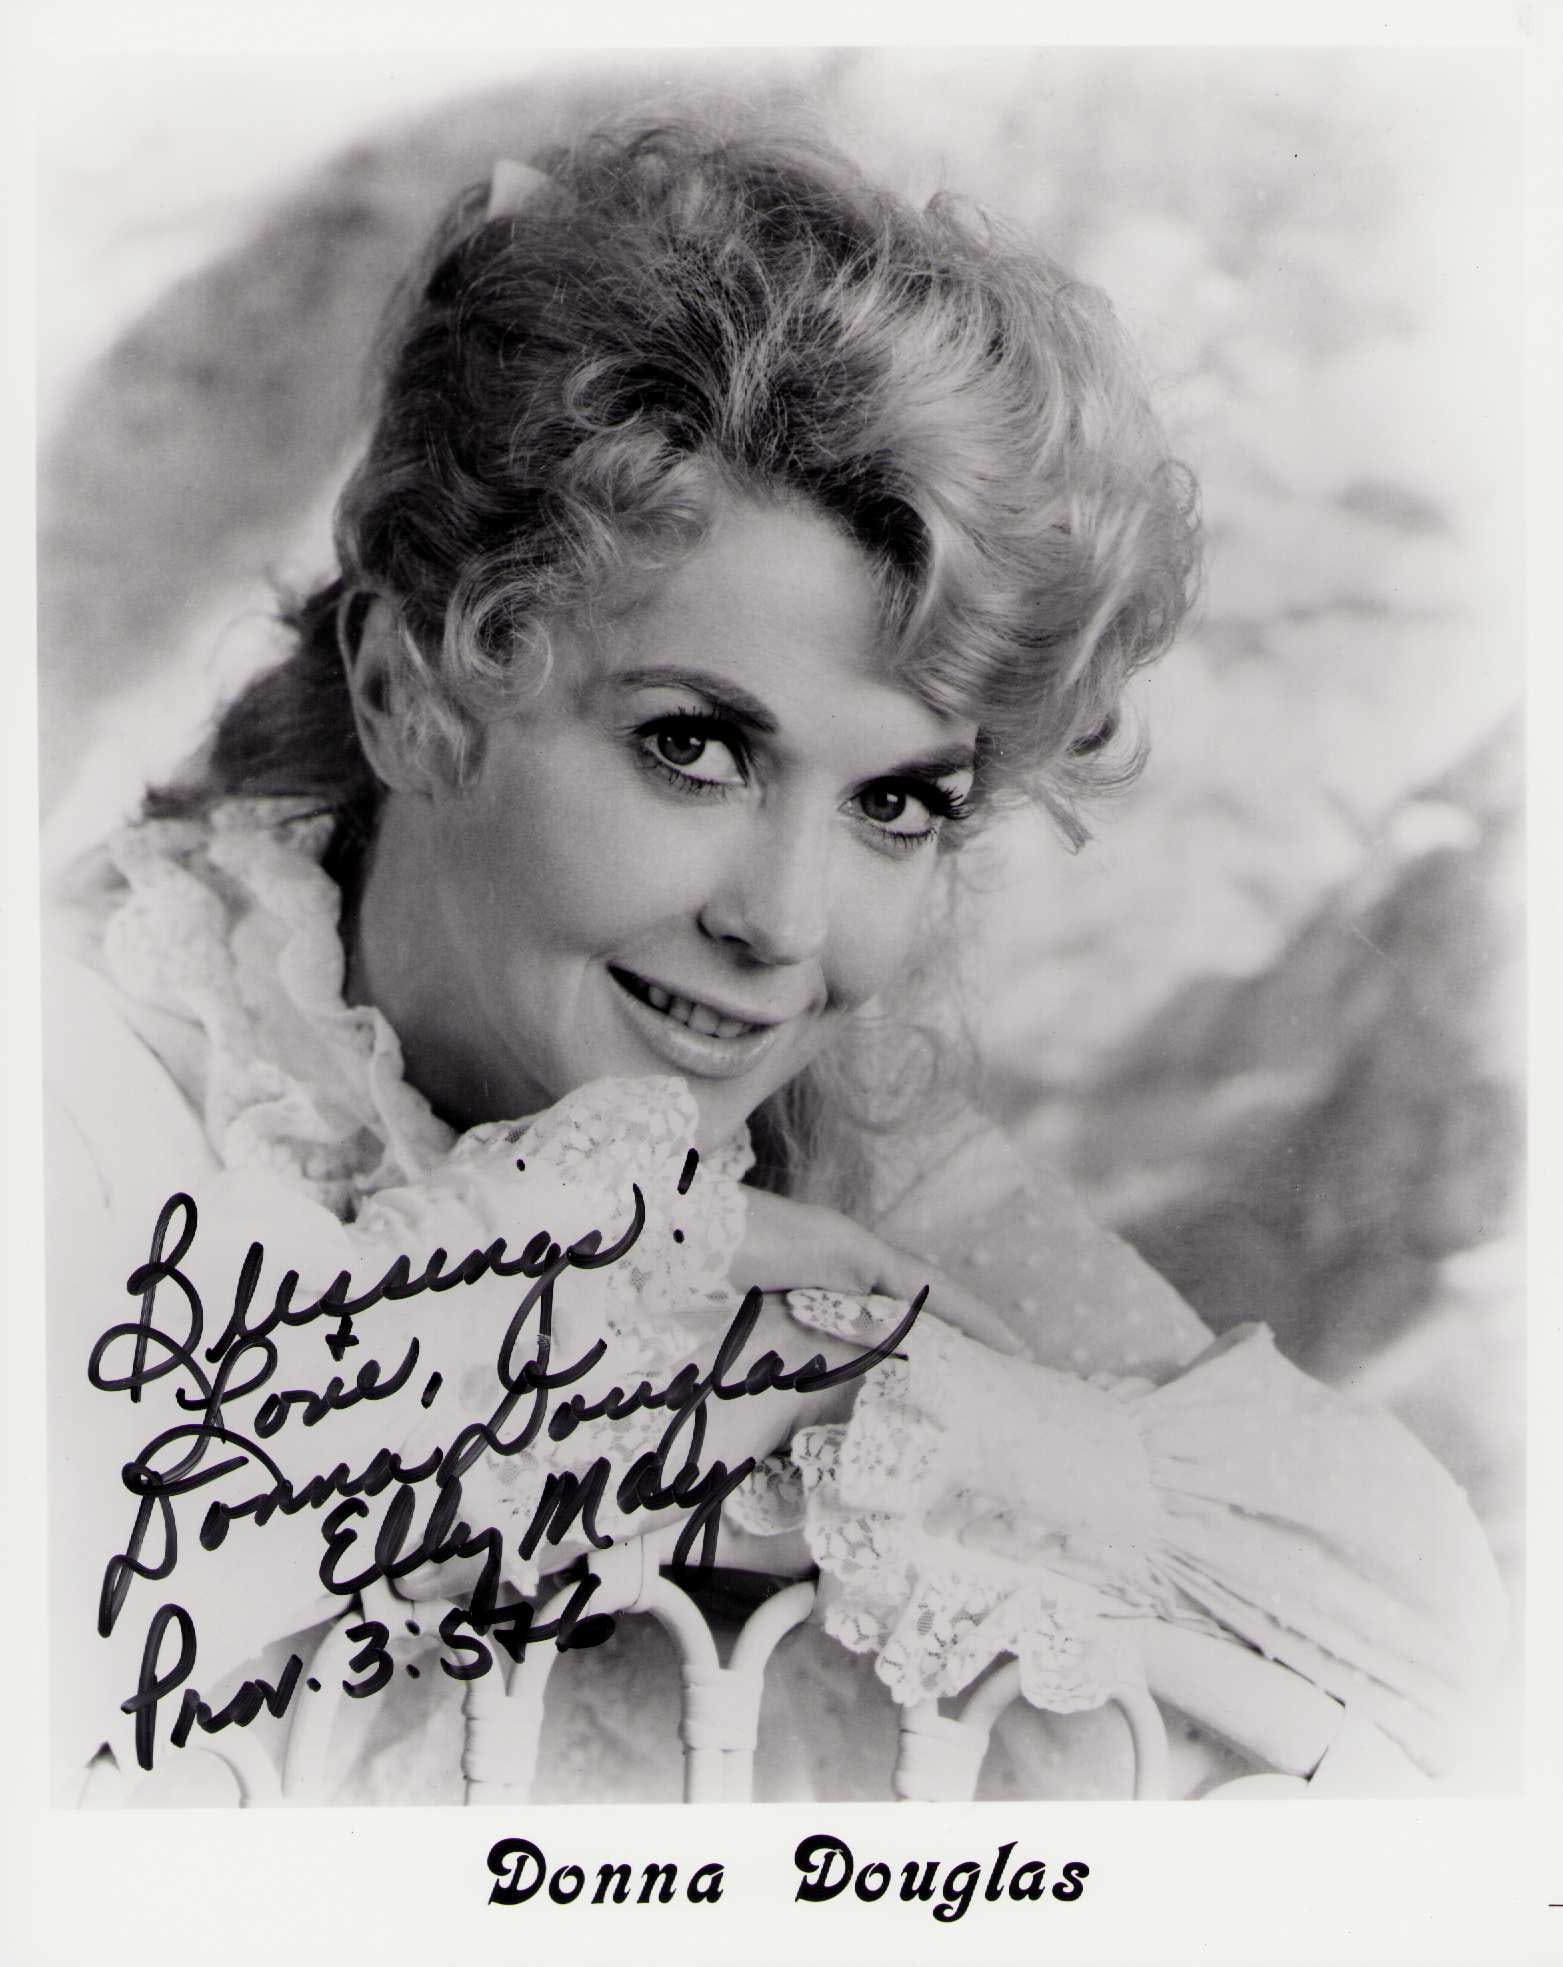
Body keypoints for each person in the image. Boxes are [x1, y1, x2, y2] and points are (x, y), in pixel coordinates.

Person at [45, 114, 1504, 1807]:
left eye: (896, 802)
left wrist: (897, 1401)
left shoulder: (843, 1150)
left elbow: (1418, 1625)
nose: (787, 925)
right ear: (409, 693)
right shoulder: (89, 1069)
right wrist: (574, 1353)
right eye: (693, 748)